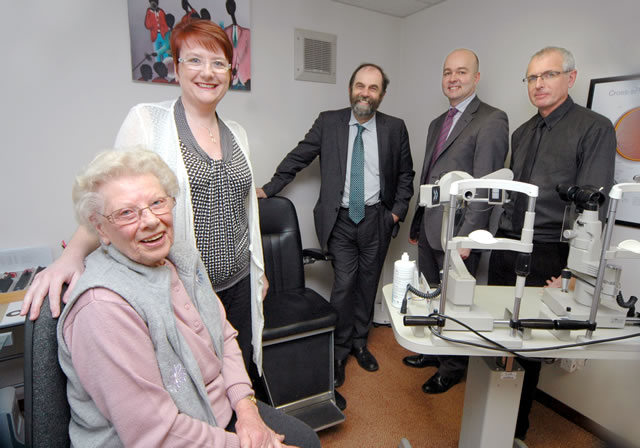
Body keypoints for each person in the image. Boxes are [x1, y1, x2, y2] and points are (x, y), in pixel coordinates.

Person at [22, 19, 267, 389]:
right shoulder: (148, 121)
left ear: (230, 73)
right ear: (176, 67)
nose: (208, 72)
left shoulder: (238, 132)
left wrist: (258, 273)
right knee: (193, 388)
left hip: (239, 284)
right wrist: (71, 256)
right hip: (181, 289)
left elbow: (245, 207)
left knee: (239, 376)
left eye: (219, 63)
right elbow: (114, 198)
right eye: (195, 60)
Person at [58, 148, 320, 448]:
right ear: (101, 228)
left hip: (215, 412)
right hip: (159, 440)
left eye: (157, 203)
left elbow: (224, 337)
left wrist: (248, 411)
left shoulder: (182, 256)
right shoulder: (102, 308)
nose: (151, 221)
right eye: (127, 213)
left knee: (307, 439)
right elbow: (155, 434)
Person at [257, 63, 415, 394]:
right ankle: (340, 352)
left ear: (381, 95)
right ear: (350, 89)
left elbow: (405, 175)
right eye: (360, 86)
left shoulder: (395, 128)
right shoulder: (329, 122)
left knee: (368, 283)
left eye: (373, 88)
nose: (365, 93)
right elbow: (299, 156)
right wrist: (269, 189)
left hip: (376, 219)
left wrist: (395, 214)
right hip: (339, 220)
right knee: (344, 285)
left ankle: (360, 343)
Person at [487, 46, 616, 444]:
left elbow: (592, 207)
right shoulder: (522, 132)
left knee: (528, 344)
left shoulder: (594, 128)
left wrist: (571, 274)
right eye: (532, 77)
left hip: (548, 250)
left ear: (570, 78)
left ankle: (513, 432)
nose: (538, 84)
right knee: (493, 332)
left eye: (548, 75)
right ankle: (490, 417)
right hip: (507, 243)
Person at [403, 49, 509, 394]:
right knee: (432, 296)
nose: (453, 78)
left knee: (455, 301)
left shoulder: (492, 120)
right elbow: (430, 177)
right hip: (432, 225)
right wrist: (417, 224)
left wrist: (467, 238)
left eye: (461, 72)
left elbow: (485, 187)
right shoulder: (439, 122)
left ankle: (451, 368)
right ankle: (435, 352)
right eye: (447, 72)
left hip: (460, 233)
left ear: (476, 77)